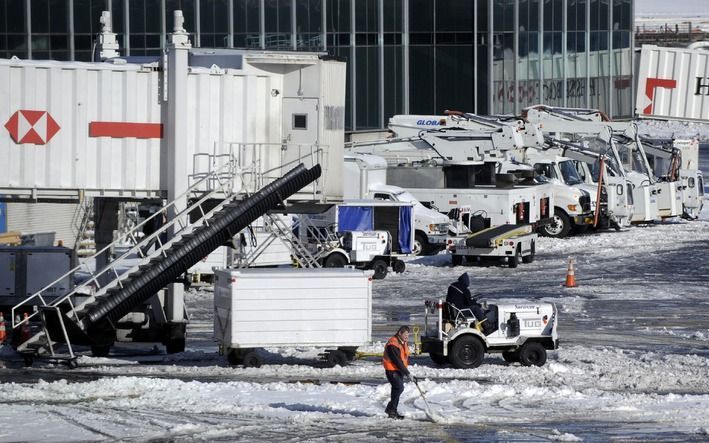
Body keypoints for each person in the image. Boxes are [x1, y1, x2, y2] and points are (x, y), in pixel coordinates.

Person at [382, 325, 417, 419]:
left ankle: (392, 411)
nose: (407, 337)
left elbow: (403, 358)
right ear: (399, 333)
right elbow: (397, 361)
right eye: (405, 335)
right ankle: (391, 409)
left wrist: (406, 372)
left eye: (408, 335)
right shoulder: (393, 344)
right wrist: (407, 373)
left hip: (398, 370)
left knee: (396, 390)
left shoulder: (401, 342)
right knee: (399, 388)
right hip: (392, 370)